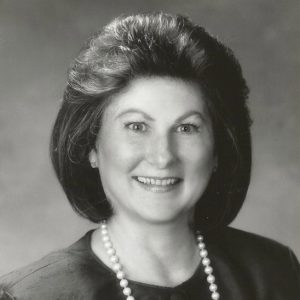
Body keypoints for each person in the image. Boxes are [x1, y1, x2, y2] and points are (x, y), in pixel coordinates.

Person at [0, 12, 299, 300]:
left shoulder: (274, 273)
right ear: (91, 146)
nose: (162, 156)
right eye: (137, 126)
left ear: (218, 149)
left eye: (186, 127)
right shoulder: (31, 295)